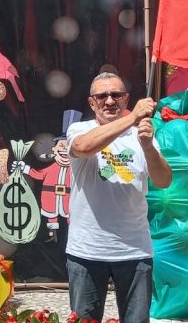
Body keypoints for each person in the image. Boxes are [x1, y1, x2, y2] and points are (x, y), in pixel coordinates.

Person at [65, 72, 172, 323]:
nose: (110, 101)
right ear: (92, 103)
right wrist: (132, 117)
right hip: (87, 250)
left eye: (116, 95)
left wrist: (148, 147)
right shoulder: (80, 129)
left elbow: (163, 180)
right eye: (102, 96)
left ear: (126, 98)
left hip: (134, 250)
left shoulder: (142, 135)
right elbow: (83, 148)